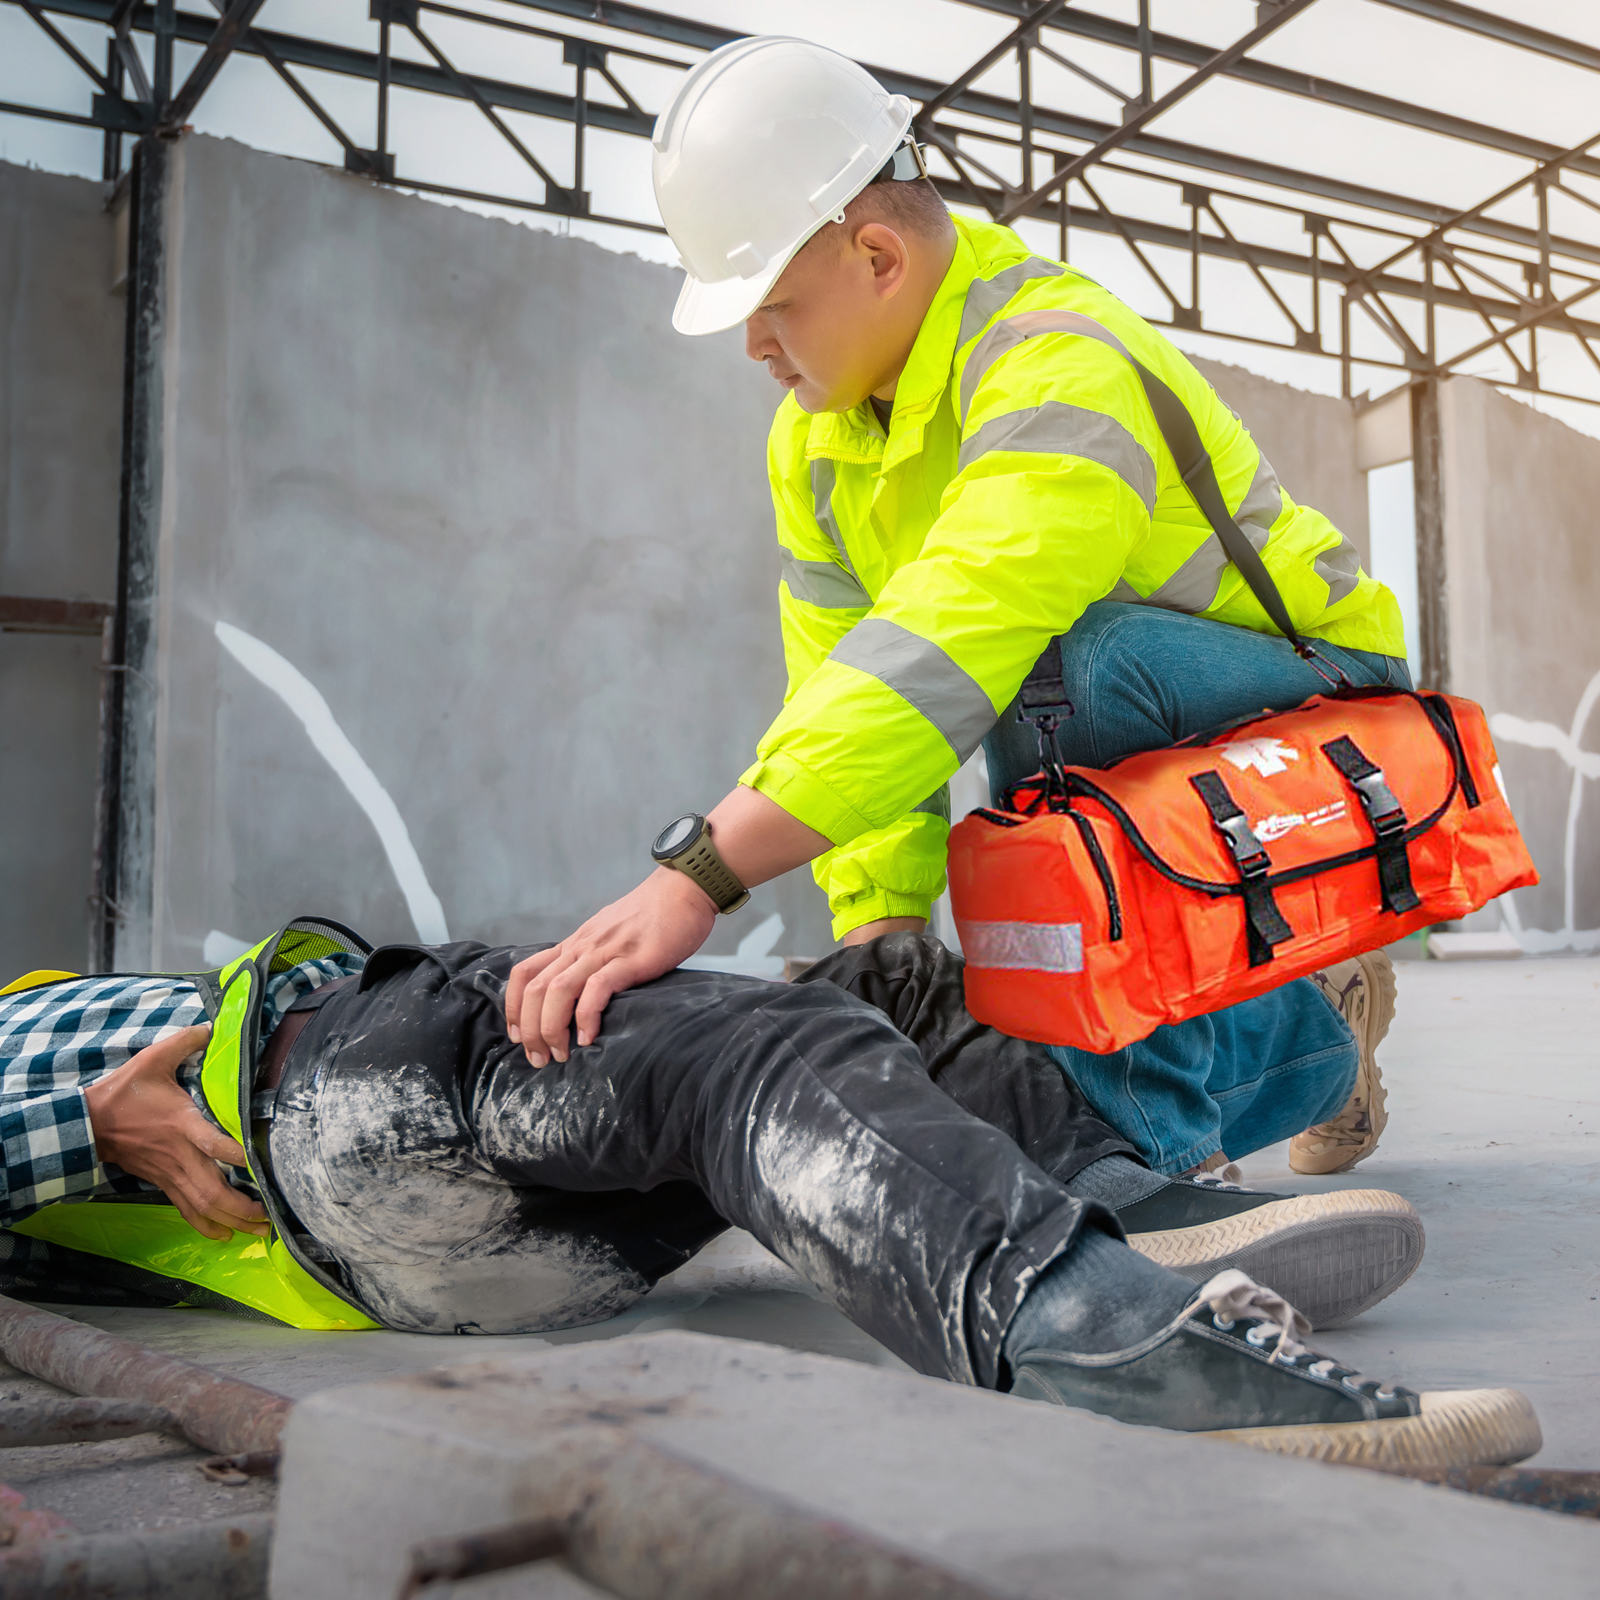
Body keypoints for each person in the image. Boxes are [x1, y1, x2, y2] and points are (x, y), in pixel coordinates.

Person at [502, 38, 1410, 1187]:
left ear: (876, 255)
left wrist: (700, 876)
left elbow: (945, 644)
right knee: (1033, 760)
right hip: (1115, 695)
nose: (753, 344)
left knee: (1058, 670)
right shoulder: (821, 442)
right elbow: (843, 672)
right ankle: (1278, 1020)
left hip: (1320, 690)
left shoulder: (1059, 365)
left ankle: (1189, 1116)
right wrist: (881, 931)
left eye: (774, 304)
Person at [0, 923, 1532, 1468]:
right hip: (330, 1100)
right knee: (754, 1057)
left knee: (881, 994)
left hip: (403, 1227)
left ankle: (1110, 1192)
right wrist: (89, 1129)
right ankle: (1105, 1333)